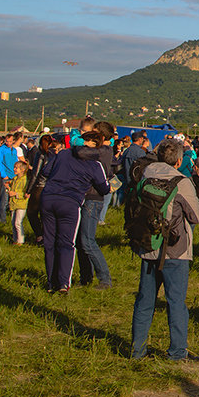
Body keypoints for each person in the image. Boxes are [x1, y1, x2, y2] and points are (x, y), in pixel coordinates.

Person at [130, 139, 199, 361]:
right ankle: (177, 351)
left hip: (148, 245)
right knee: (176, 302)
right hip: (175, 248)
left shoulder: (144, 177)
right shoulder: (181, 182)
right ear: (179, 160)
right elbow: (195, 216)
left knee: (145, 300)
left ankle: (137, 350)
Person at [40, 131, 110, 293]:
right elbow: (104, 188)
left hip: (48, 197)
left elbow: (45, 171)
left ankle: (51, 283)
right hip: (70, 201)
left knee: (49, 243)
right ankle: (64, 283)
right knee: (67, 244)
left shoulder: (64, 154)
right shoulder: (95, 164)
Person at [73, 122, 118, 290]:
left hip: (93, 198)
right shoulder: (103, 150)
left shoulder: (103, 151)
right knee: (81, 240)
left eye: (94, 133)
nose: (90, 136)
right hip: (88, 197)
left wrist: (80, 143)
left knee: (87, 241)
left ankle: (104, 278)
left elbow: (81, 152)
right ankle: (86, 277)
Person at [9, 160, 30, 244]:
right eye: (14, 167)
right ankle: (15, 239)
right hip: (13, 203)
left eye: (16, 168)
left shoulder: (24, 180)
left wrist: (15, 194)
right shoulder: (14, 179)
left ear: (22, 169)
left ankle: (20, 241)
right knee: (13, 222)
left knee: (18, 222)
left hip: (21, 204)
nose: (14, 169)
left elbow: (26, 193)